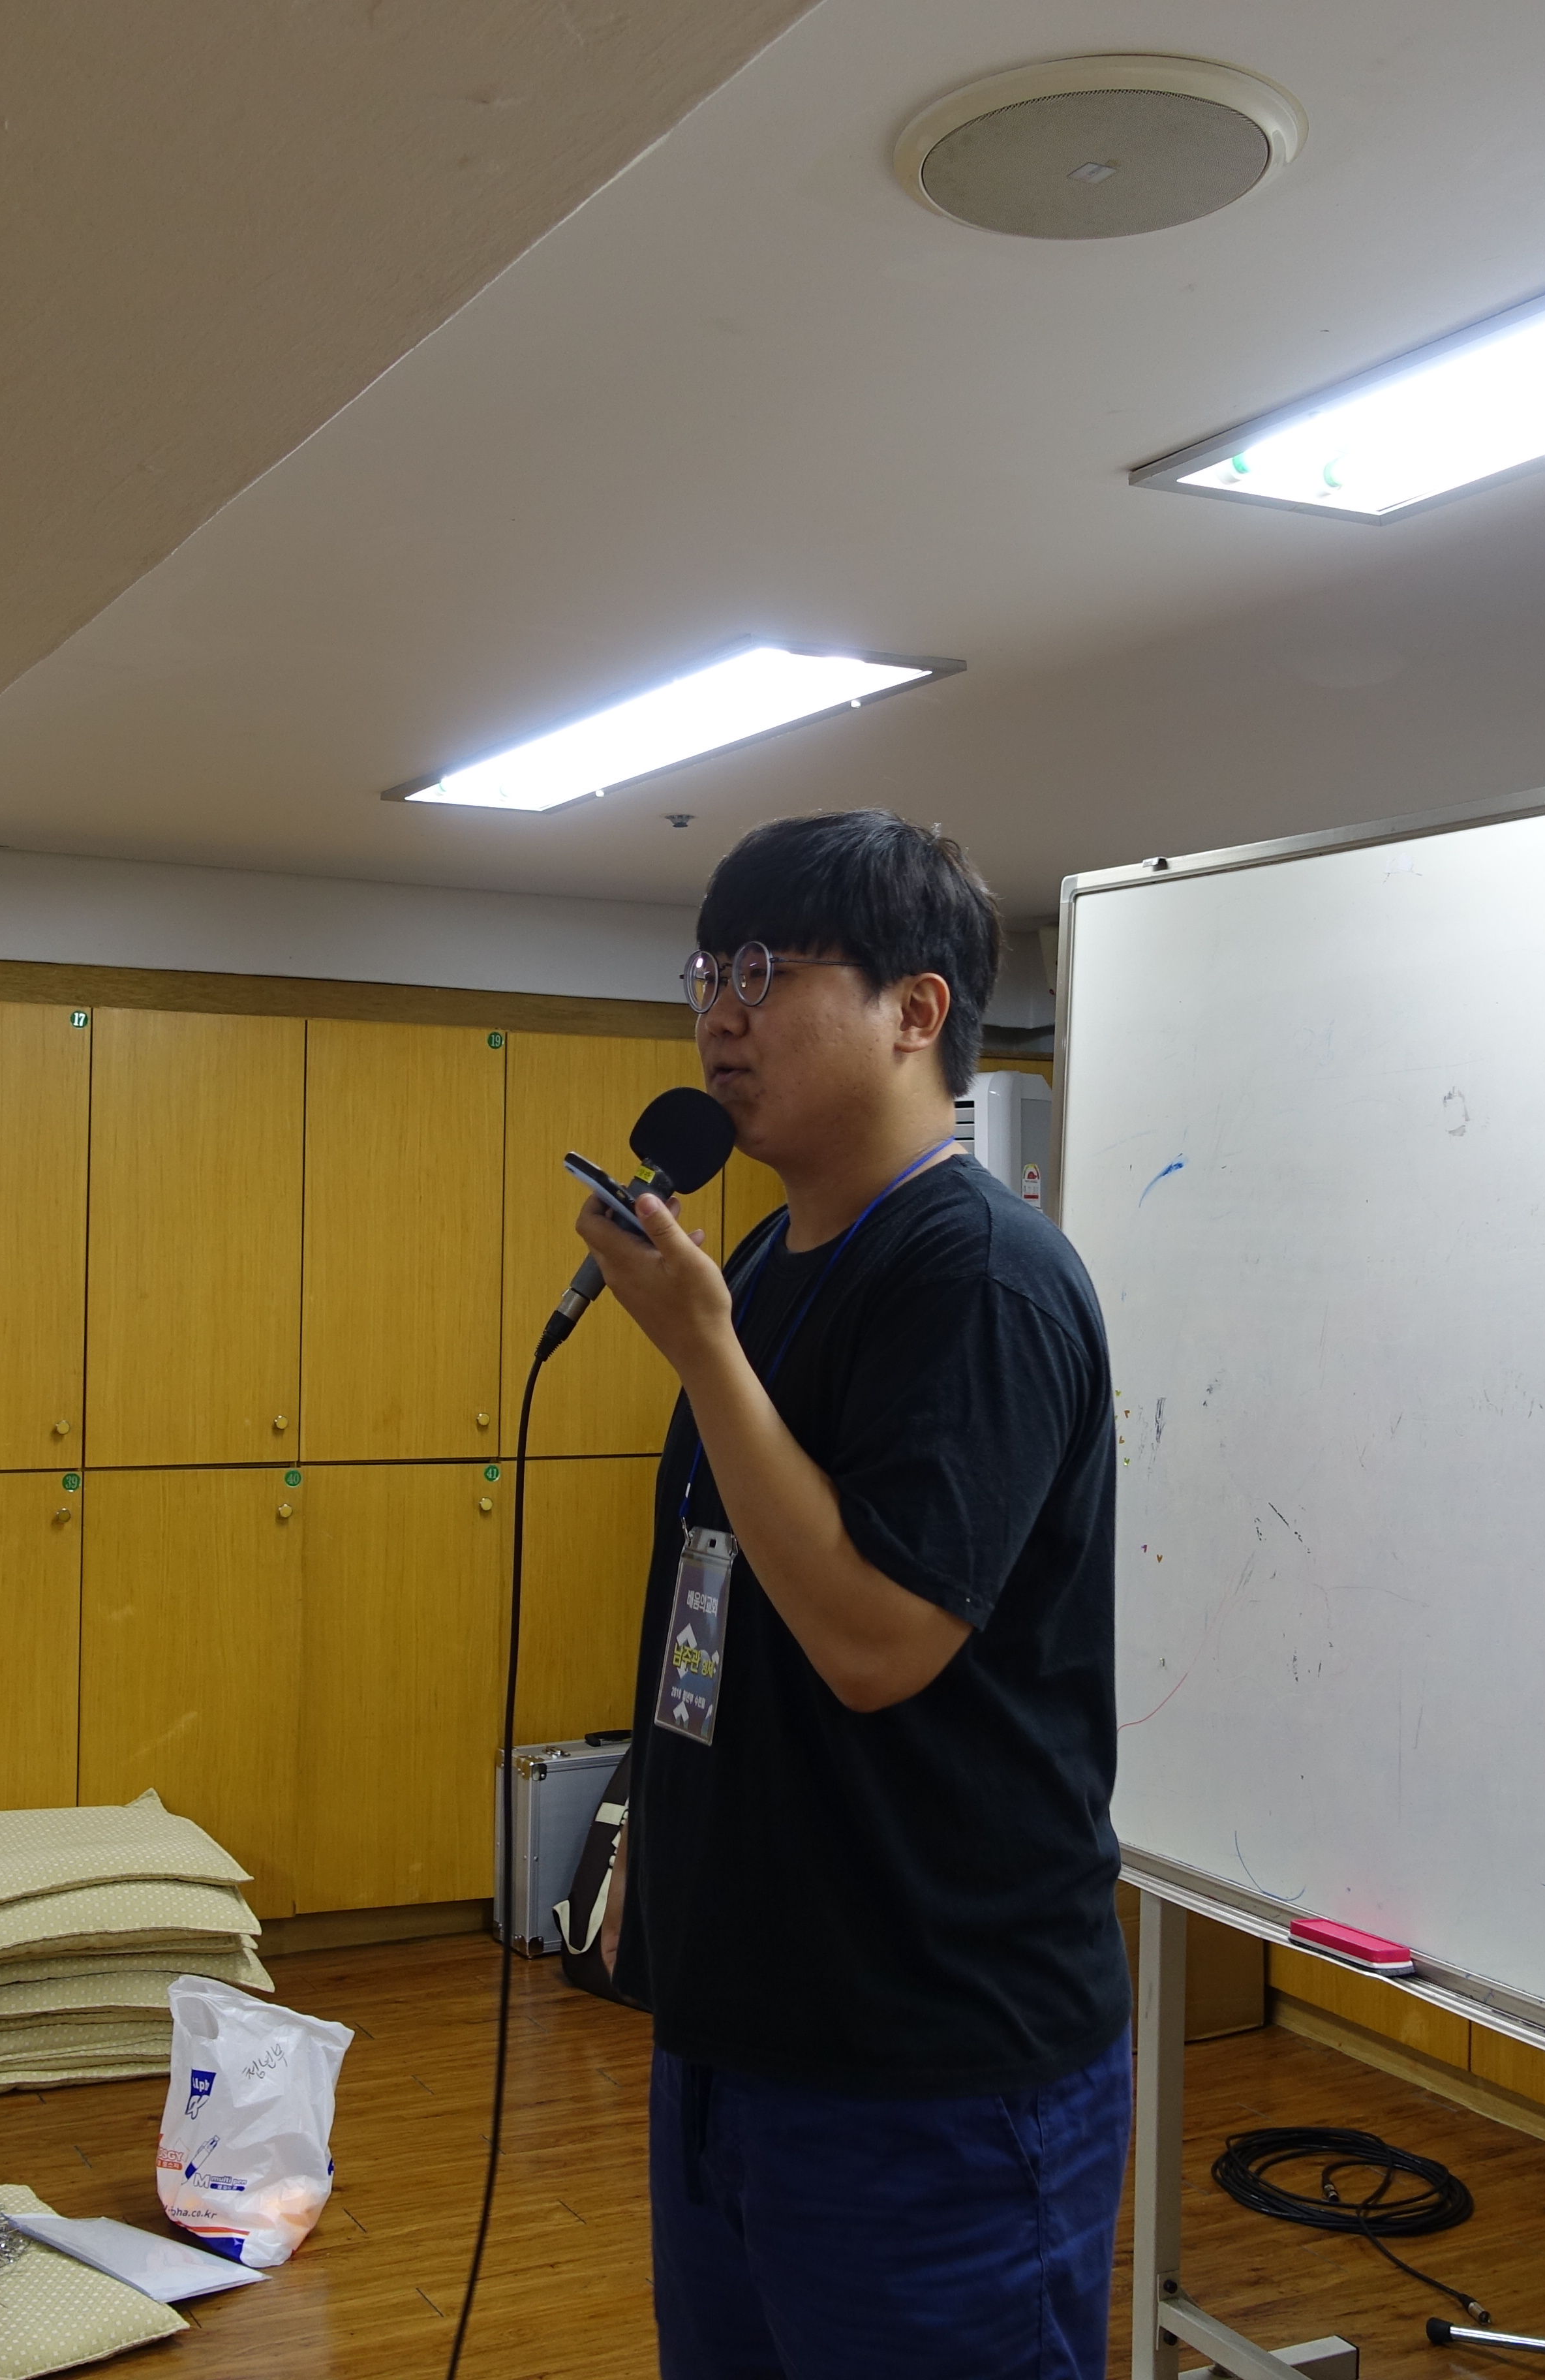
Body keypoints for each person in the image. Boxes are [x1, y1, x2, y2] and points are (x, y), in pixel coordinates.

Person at [574, 809, 1127, 2380]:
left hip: (930, 2071)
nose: (720, 1014)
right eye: (708, 972)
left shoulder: (983, 1279)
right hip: (738, 2038)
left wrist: (700, 1350)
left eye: (766, 970)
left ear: (914, 1009)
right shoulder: (764, 1268)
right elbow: (720, 1585)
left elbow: (877, 1642)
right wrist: (660, 1847)